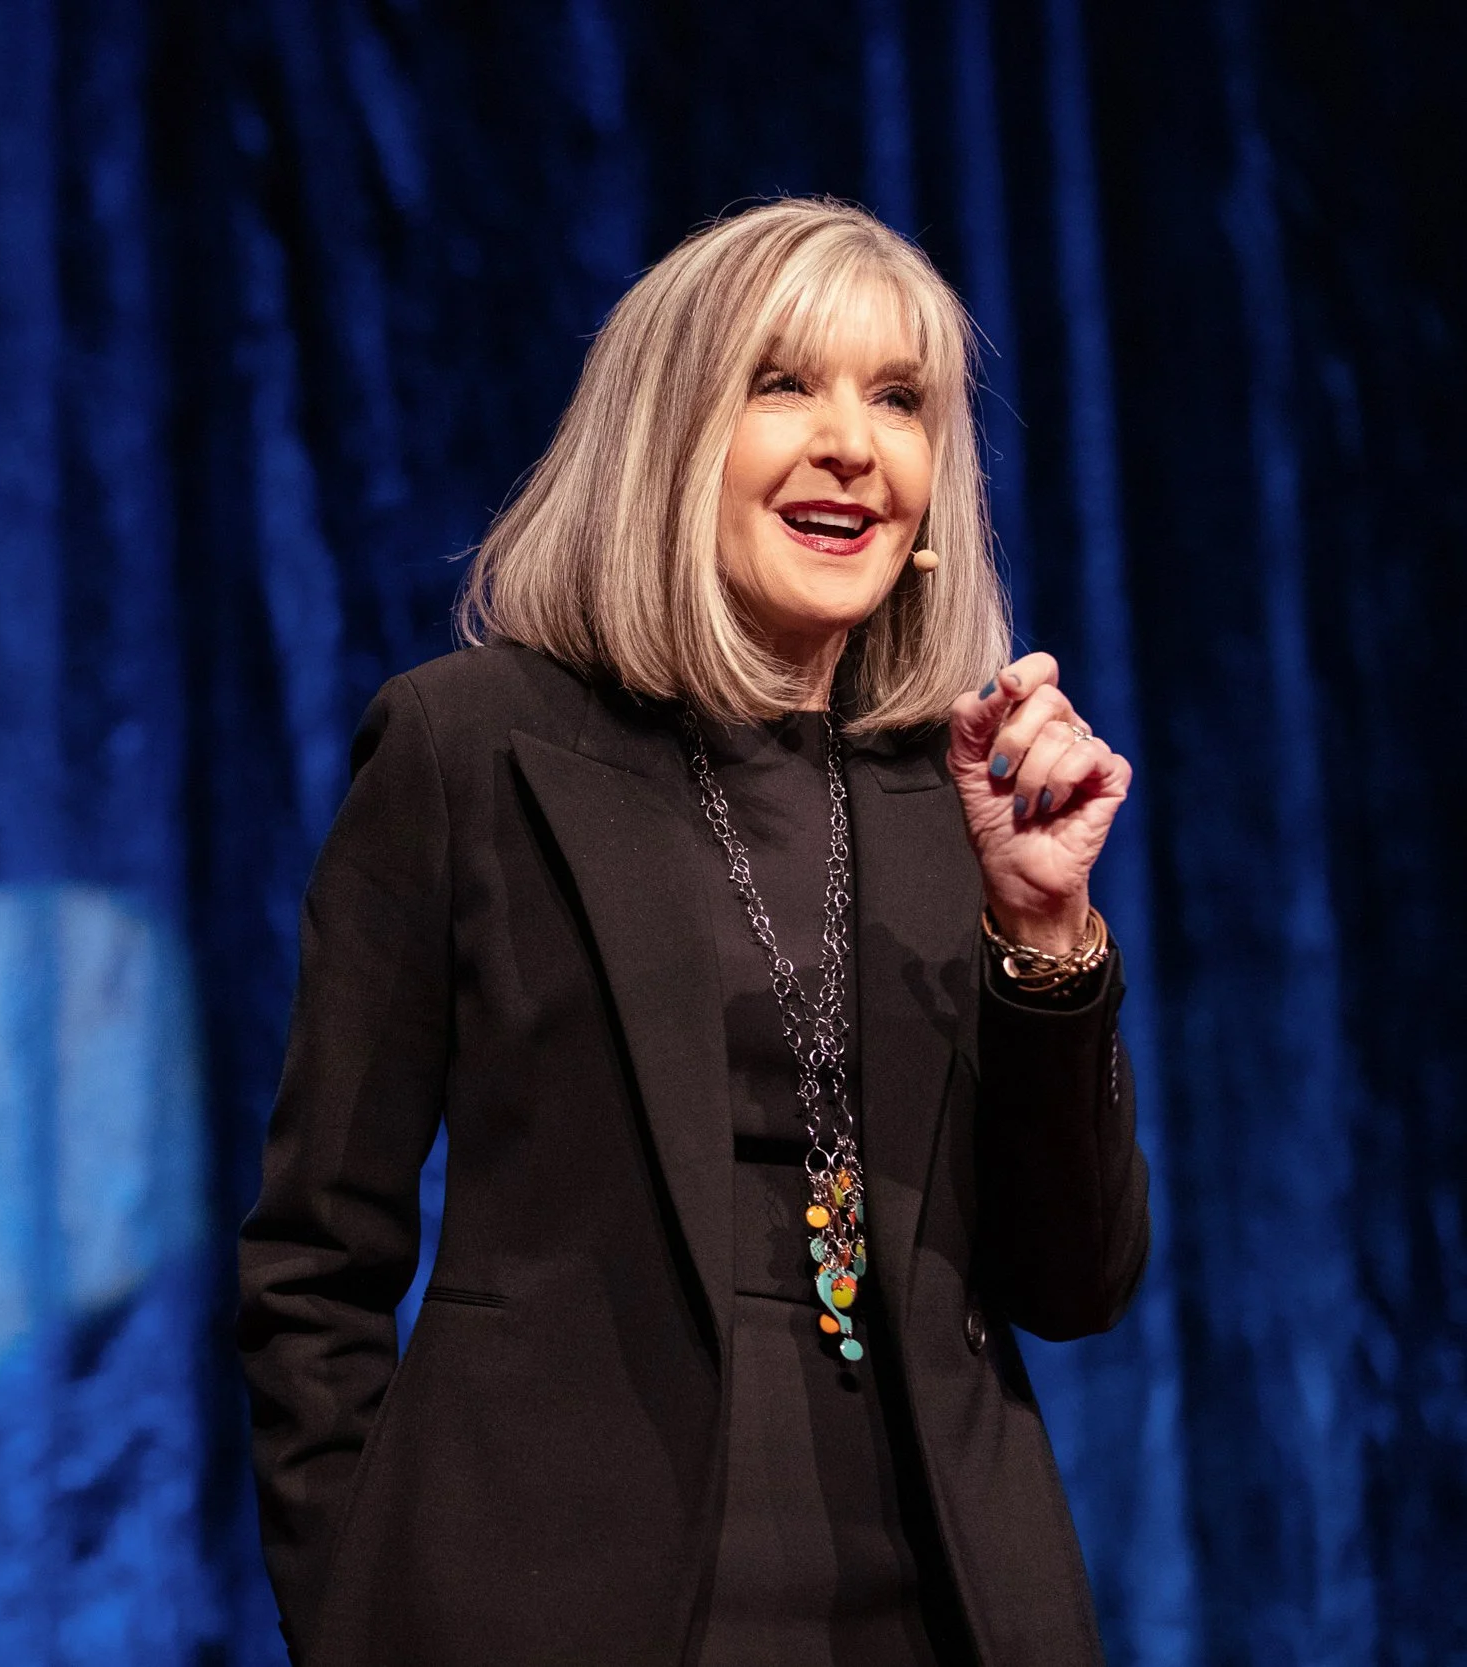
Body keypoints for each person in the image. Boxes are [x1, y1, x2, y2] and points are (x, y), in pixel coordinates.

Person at [237, 197, 1149, 1666]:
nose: (852, 445)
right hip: (547, 1605)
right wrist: (360, 1616)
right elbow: (312, 1264)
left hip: (932, 1605)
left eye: (898, 400)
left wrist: (1046, 932)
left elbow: (1075, 1281)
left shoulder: (954, 794)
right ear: (669, 440)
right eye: (784, 385)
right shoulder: (470, 749)